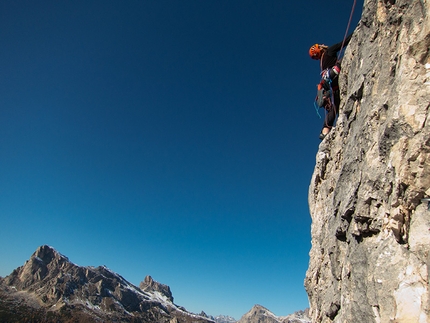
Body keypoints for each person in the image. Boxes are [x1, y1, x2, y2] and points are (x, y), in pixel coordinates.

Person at [309, 33, 353, 139]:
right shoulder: (329, 51)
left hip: (331, 87)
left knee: (333, 108)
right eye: (320, 45)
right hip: (334, 79)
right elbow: (344, 42)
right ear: (319, 49)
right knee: (343, 59)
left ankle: (324, 131)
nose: (323, 44)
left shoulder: (322, 63)